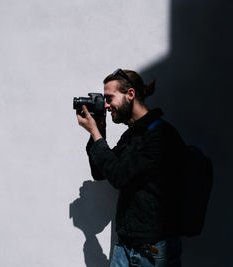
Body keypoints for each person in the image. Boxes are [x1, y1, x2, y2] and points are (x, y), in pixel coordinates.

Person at [76, 68, 187, 267]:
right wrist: (98, 131)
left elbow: (119, 176)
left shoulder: (159, 136)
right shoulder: (133, 135)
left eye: (110, 98)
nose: (107, 105)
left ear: (130, 94)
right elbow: (100, 172)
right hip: (125, 245)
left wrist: (96, 134)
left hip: (153, 250)